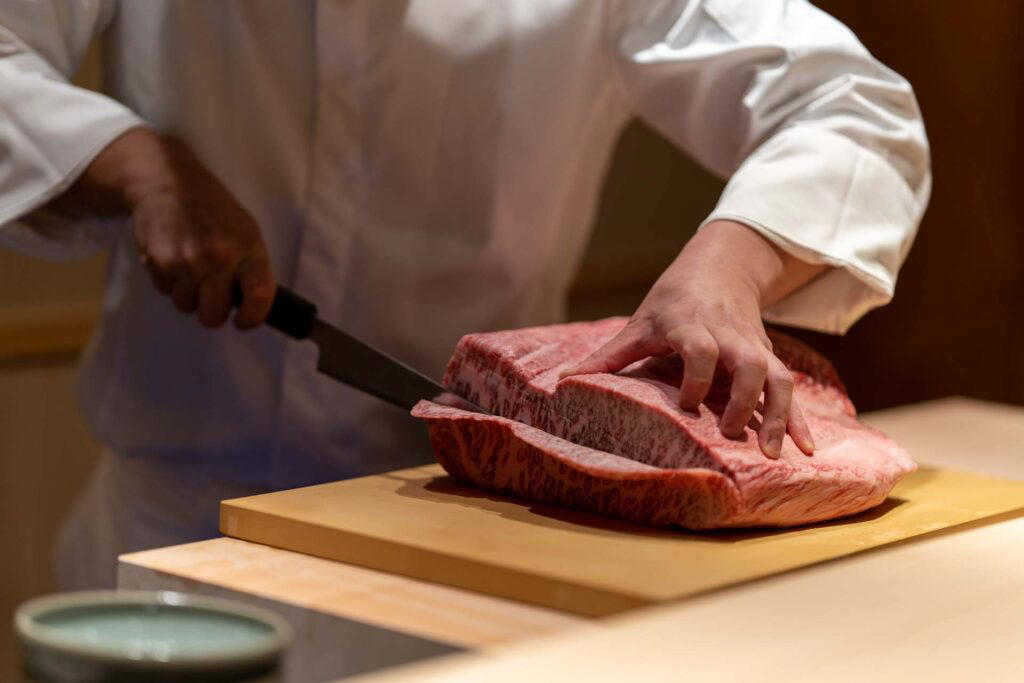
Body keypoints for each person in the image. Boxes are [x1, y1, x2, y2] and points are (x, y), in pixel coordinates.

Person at [0, 1, 930, 589]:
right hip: (169, 538)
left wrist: (731, 262)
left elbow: (853, 107)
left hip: (470, 537)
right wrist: (132, 164)